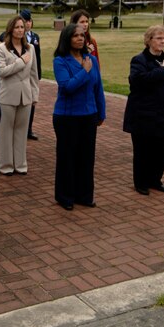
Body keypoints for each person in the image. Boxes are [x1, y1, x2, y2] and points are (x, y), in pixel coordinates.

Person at [123, 25, 164, 195]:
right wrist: (162, 71)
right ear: (149, 40)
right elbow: (138, 81)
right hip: (145, 115)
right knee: (144, 151)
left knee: (163, 150)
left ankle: (155, 179)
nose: (162, 41)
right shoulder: (139, 60)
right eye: (159, 38)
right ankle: (141, 182)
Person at [52, 23, 105, 210]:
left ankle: (84, 195)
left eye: (82, 35)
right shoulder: (60, 61)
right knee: (68, 157)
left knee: (86, 157)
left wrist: (101, 112)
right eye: (75, 36)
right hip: (67, 117)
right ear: (67, 38)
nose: (80, 38)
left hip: (89, 115)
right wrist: (84, 71)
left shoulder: (91, 59)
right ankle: (65, 196)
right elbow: (67, 87)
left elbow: (98, 88)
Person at [0, 15, 39, 175]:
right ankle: (5, 165)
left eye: (22, 27)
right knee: (6, 131)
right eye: (17, 27)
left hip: (25, 95)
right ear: (10, 29)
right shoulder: (1, 48)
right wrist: (21, 62)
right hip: (7, 95)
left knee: (21, 131)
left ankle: (20, 165)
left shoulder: (31, 49)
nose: (20, 30)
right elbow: (1, 72)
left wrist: (35, 95)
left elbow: (34, 74)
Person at [21, 9, 42, 141]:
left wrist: (38, 73)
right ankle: (21, 129)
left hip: (32, 73)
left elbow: (37, 57)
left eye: (29, 21)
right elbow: (2, 37)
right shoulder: (15, 35)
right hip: (20, 72)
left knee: (32, 101)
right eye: (25, 21)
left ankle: (29, 129)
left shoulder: (35, 37)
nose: (28, 24)